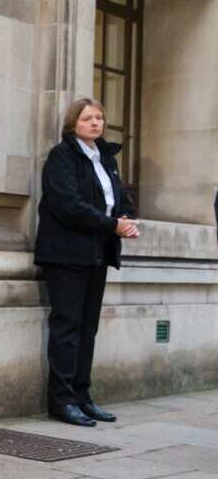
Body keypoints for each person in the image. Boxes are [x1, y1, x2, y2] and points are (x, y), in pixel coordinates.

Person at [35, 97, 138, 426]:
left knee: (88, 328)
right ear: (73, 123)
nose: (95, 123)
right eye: (87, 118)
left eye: (99, 118)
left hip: (97, 253)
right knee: (67, 328)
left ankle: (82, 396)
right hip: (66, 254)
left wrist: (125, 216)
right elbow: (68, 205)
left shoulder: (105, 158)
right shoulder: (61, 156)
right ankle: (61, 401)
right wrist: (112, 224)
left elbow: (118, 198)